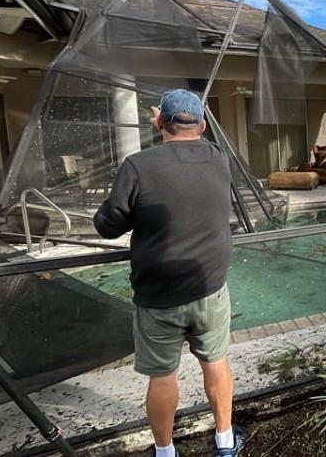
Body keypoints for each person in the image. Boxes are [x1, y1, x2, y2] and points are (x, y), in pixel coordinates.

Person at [94, 89, 246, 457]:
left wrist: (159, 127)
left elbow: (107, 225)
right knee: (217, 362)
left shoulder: (138, 166)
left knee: (163, 376)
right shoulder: (218, 158)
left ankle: (165, 452)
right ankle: (224, 442)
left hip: (159, 297)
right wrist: (165, 124)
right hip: (209, 289)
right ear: (204, 126)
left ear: (159, 122)